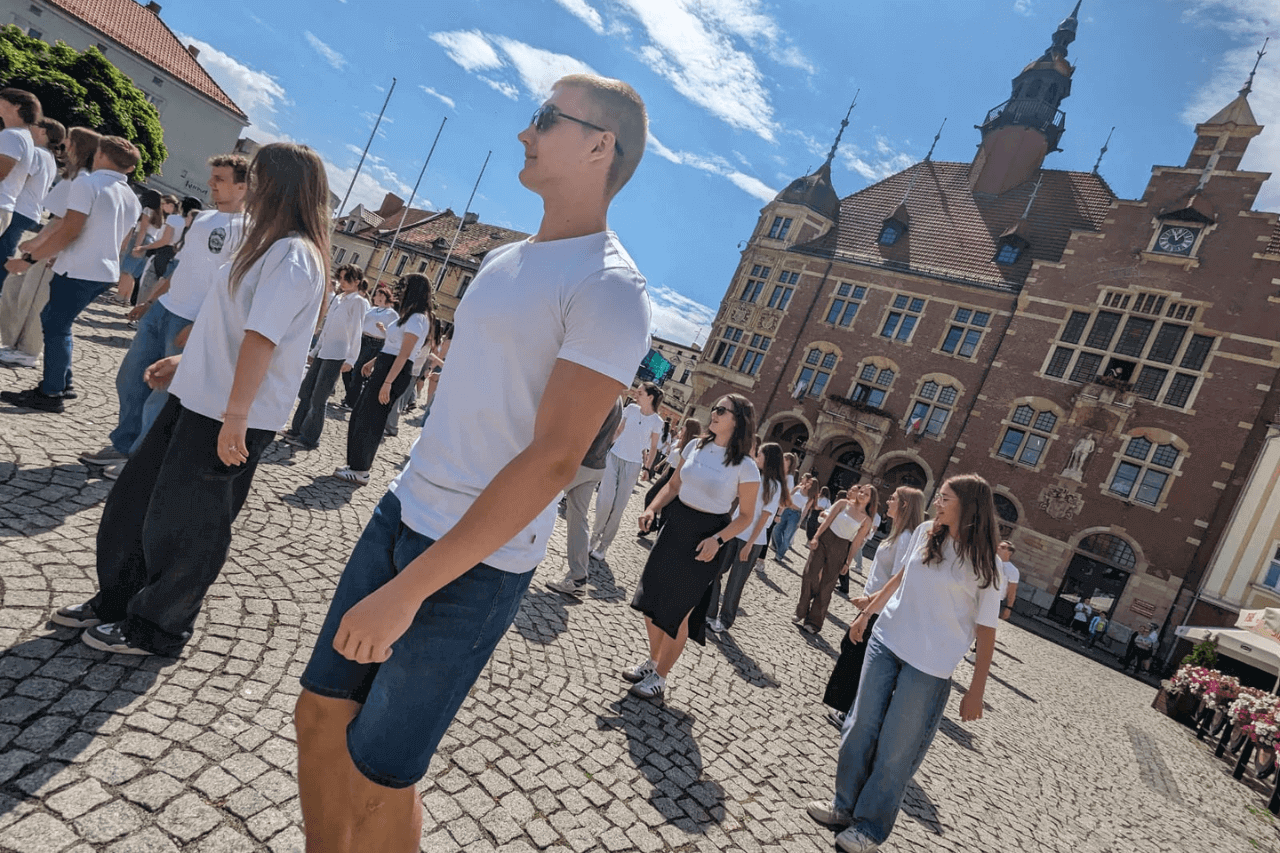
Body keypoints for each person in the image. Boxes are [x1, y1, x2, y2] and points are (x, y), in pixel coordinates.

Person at [293, 73, 651, 852]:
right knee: (319, 713)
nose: (524, 133)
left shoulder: (612, 288)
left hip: (475, 565)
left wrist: (408, 591)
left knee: (377, 771)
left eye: (544, 119)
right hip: (404, 508)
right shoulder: (503, 261)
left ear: (600, 145)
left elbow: (556, 460)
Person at [48, 142, 330, 656]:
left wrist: (237, 417)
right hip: (197, 396)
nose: (251, 186)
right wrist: (188, 360)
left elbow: (262, 338)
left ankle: (159, 627)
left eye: (259, 177)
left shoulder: (295, 254)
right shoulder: (264, 243)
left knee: (189, 525)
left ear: (281, 187)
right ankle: (118, 600)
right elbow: (230, 324)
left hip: (230, 413)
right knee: (135, 502)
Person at [806, 474, 1004, 853]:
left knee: (896, 749)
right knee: (859, 726)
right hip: (887, 641)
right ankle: (843, 806)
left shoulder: (986, 564)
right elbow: (901, 576)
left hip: (930, 666)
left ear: (968, 506)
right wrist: (869, 613)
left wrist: (976, 689)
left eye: (945, 498)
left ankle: (869, 828)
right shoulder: (927, 530)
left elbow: (986, 631)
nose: (936, 503)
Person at [78, 155, 250, 474]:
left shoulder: (247, 230)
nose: (211, 183)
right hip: (164, 310)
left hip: (191, 321)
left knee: (161, 394)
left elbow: (234, 288)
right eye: (212, 176)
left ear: (242, 187)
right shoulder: (202, 219)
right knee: (130, 378)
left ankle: (138, 461)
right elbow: (181, 267)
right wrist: (150, 302)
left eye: (220, 179)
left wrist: (200, 326)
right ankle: (123, 445)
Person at [625, 394, 759, 702]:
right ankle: (654, 660)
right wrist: (652, 509)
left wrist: (719, 540)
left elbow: (747, 516)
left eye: (722, 410)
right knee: (650, 599)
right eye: (715, 408)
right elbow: (673, 486)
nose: (714, 413)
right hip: (675, 525)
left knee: (679, 611)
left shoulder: (745, 466)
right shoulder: (695, 446)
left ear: (737, 420)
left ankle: (660, 676)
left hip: (708, 537)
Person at [0, 136, 141, 413]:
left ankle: (52, 392)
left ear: (100, 155)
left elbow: (70, 229)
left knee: (55, 325)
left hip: (80, 268)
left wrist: (29, 260)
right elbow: (122, 242)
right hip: (103, 270)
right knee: (57, 322)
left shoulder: (88, 183)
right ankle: (63, 382)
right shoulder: (131, 197)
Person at [823, 486, 925, 730]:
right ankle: (845, 707)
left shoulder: (906, 538)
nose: (887, 501)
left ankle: (849, 711)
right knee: (852, 650)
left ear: (903, 505)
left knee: (857, 655)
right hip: (873, 605)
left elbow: (899, 581)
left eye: (893, 498)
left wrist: (869, 603)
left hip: (879, 609)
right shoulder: (897, 534)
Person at [0, 127, 99, 368]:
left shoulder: (80, 179)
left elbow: (61, 220)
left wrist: (36, 244)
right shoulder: (77, 177)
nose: (64, 148)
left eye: (69, 143)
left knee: (34, 297)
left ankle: (27, 349)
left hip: (51, 248)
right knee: (20, 292)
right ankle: (16, 343)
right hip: (50, 245)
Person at [332, 272, 434, 485]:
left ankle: (361, 470)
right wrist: (374, 362)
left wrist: (387, 382)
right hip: (387, 364)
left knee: (372, 418)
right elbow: (393, 346)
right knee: (362, 413)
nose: (400, 291)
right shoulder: (408, 315)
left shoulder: (418, 318)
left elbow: (404, 354)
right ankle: (355, 464)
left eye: (404, 287)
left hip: (395, 371)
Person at [546, 397, 625, 597]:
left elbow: (581, 430)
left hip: (578, 463)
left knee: (538, 501)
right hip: (596, 465)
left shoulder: (603, 394)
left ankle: (511, 552)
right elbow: (615, 434)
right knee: (578, 518)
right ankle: (578, 577)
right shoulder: (618, 400)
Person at [706, 441, 786, 633]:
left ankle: (725, 620)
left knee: (735, 582)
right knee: (716, 569)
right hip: (733, 532)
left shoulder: (774, 486)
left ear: (768, 458)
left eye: (760, 454)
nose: (757, 457)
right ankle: (709, 612)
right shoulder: (753, 476)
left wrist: (750, 544)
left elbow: (765, 517)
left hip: (752, 540)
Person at [284, 263, 366, 450]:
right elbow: (327, 327)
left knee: (319, 398)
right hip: (323, 352)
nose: (342, 282)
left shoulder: (358, 302)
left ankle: (309, 438)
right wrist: (315, 350)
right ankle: (296, 430)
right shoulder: (338, 299)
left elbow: (356, 332)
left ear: (357, 281)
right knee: (306, 391)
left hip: (337, 355)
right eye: (341, 278)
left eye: (347, 279)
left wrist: (351, 359)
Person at [590, 381, 663, 561]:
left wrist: (647, 468)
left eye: (640, 392)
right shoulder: (630, 409)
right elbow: (618, 431)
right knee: (605, 501)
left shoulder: (657, 421)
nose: (636, 394)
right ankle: (593, 538)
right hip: (614, 457)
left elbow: (653, 448)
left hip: (633, 465)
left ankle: (604, 546)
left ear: (650, 397)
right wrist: (604, 448)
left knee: (618, 507)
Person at [795, 483, 877, 634]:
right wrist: (816, 537)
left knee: (827, 585)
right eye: (861, 491)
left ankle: (814, 623)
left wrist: (848, 562)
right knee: (809, 575)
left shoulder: (866, 520)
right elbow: (827, 520)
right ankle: (802, 610)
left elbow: (856, 543)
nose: (861, 495)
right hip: (824, 539)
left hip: (841, 547)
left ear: (871, 500)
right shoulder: (842, 504)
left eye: (866, 494)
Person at [0, 115, 59, 290]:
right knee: (6, 247)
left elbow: (20, 178)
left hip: (20, 208)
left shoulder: (37, 153)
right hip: (31, 210)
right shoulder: (50, 157)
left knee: (4, 249)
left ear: (43, 131)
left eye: (33, 126)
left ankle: (2, 285)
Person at [637, 417, 702, 540]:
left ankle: (658, 537)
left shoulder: (693, 446)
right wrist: (662, 472)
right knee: (650, 496)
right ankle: (650, 526)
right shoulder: (679, 442)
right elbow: (670, 460)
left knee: (667, 510)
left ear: (689, 429)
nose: (681, 428)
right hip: (668, 474)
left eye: (684, 426)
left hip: (678, 478)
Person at [0, 88, 40, 269]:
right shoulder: (24, 137)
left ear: (17, 107)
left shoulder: (12, 136)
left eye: (2, 101)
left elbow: (1, 172)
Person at [340, 284, 396, 410]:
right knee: (348, 367)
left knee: (357, 370)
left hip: (375, 342)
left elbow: (394, 334)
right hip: (362, 339)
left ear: (382, 296)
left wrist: (384, 329)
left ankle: (351, 401)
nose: (374, 297)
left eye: (376, 295)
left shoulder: (392, 314)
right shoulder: (372, 309)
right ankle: (352, 395)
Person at [117, 193, 170, 304]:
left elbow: (143, 230)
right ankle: (126, 297)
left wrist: (137, 246)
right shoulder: (159, 214)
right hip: (151, 241)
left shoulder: (147, 210)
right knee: (133, 272)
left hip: (140, 239)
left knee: (126, 270)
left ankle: (120, 296)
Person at [774, 471, 815, 560]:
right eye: (808, 482)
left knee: (787, 536)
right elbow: (788, 497)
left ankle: (779, 555)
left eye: (810, 483)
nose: (808, 483)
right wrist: (781, 511)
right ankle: (780, 549)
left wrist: (799, 522)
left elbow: (805, 511)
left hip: (796, 514)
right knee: (776, 530)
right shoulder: (798, 487)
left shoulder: (811, 497)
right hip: (787, 510)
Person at [998, 540, 1019, 620]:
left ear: (1009, 552)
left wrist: (1008, 608)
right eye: (999, 546)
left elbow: (1012, 591)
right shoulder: (988, 561)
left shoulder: (1012, 570)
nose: (999, 548)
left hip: (994, 601)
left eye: (1003, 547)